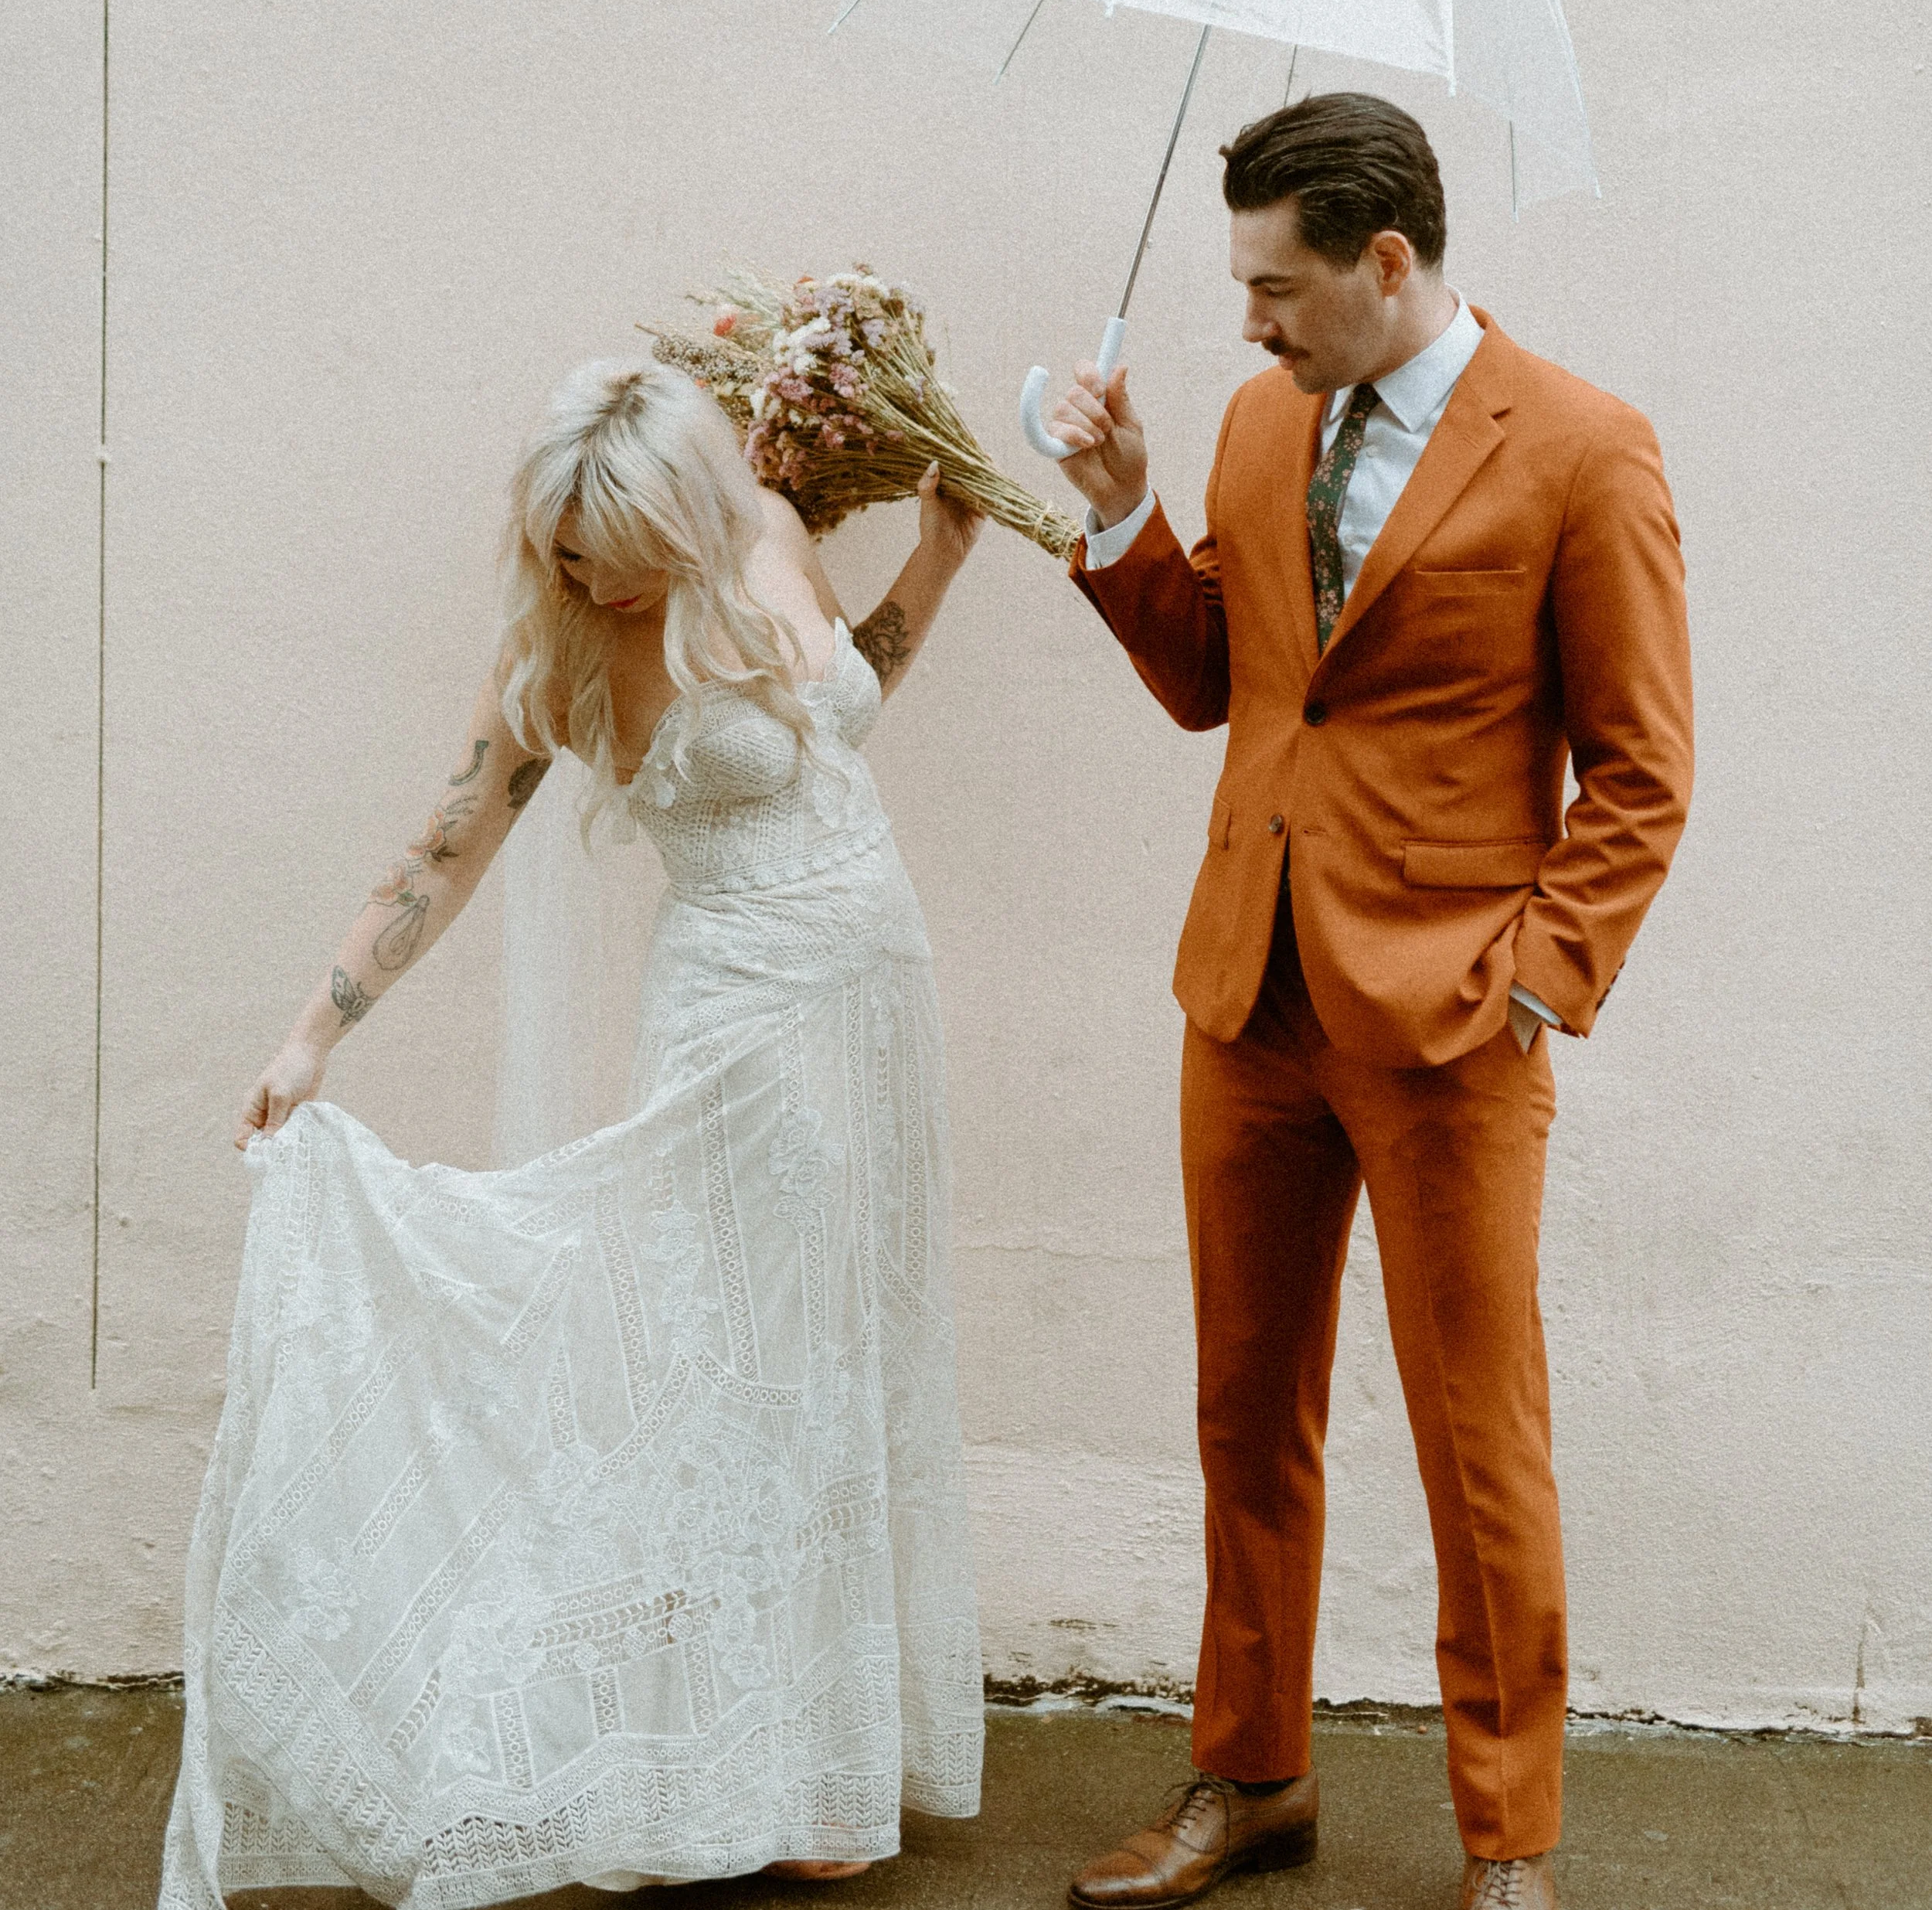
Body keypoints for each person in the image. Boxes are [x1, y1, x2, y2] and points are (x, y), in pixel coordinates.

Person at [158, 359, 985, 1910]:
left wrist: (936, 556)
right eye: (550, 538)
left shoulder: (773, 544)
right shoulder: (559, 652)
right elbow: (443, 847)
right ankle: (719, 1759)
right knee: (736, 1378)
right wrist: (313, 1031)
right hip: (740, 1031)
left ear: (687, 510)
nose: (570, 566)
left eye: (596, 538)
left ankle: (816, 1752)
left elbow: (843, 703)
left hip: (876, 997)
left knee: (845, 1357)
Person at [1044, 96, 1692, 1910]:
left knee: (1476, 1438)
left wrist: (1536, 986)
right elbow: (1222, 686)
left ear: (1383, 260)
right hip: (1242, 989)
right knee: (1245, 1409)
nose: (1249, 323)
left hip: (1447, 1022)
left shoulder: (1581, 448)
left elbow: (1640, 772)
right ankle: (1249, 1775)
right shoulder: (1262, 423)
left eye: (1275, 286)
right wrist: (1118, 523)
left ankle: (1508, 1843)